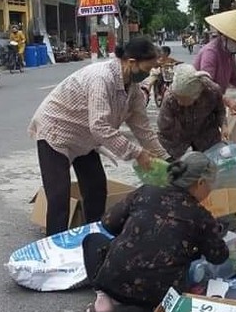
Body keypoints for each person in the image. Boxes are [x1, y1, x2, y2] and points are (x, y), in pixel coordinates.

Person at [29, 35, 166, 236]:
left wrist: (166, 158)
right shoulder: (101, 78)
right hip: (55, 131)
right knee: (59, 198)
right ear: (132, 62)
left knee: (96, 189)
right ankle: (54, 249)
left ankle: (93, 239)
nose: (147, 75)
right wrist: (137, 153)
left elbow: (142, 128)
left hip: (84, 138)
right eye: (146, 69)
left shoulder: (133, 89)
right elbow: (100, 127)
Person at [82, 152, 229, 312]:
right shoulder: (201, 217)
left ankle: (103, 301)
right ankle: (157, 310)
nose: (211, 190)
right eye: (211, 185)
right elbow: (219, 256)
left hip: (114, 282)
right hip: (159, 295)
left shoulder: (146, 192)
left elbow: (108, 223)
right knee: (192, 265)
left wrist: (135, 233)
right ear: (200, 183)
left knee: (92, 240)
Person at [157, 64, 226, 160]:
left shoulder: (212, 91)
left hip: (206, 132)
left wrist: (224, 126)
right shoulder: (170, 98)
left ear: (196, 95)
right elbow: (164, 130)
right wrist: (166, 156)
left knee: (210, 164)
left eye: (183, 99)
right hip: (179, 134)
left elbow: (220, 111)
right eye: (177, 98)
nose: (179, 102)